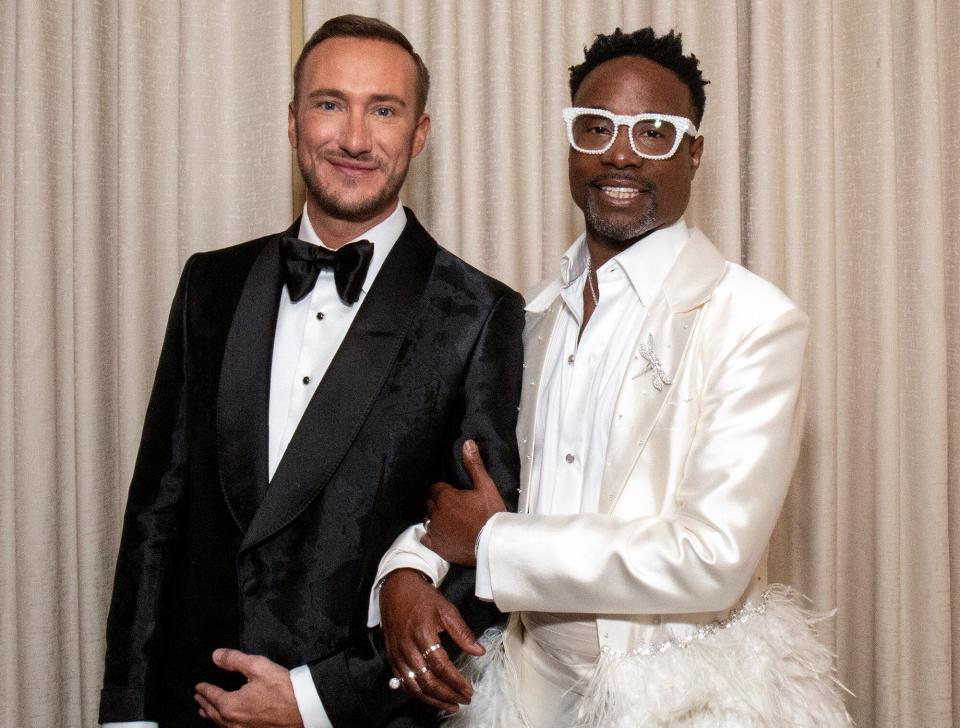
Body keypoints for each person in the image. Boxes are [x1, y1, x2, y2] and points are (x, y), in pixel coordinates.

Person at [374, 27, 852, 727]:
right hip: (522, 699)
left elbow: (711, 555)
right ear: (571, 146)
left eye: (653, 132)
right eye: (595, 128)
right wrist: (405, 570)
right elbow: (468, 483)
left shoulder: (753, 322)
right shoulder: (526, 315)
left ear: (694, 152)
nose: (620, 152)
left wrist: (493, 543)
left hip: (681, 705)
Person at [98, 14, 523, 728]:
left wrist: (313, 698)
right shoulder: (211, 283)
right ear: (294, 123)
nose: (354, 138)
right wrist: (129, 711)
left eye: (382, 110)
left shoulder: (479, 313)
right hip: (193, 706)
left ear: (419, 134)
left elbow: (483, 555)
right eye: (331, 104)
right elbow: (157, 515)